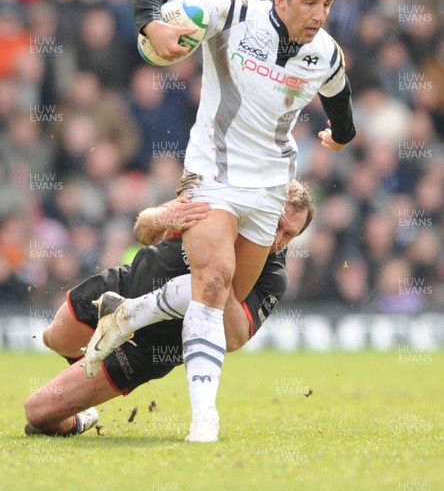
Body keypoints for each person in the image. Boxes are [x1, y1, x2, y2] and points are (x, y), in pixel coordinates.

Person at [85, 0, 356, 442]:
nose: (319, 14)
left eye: (327, 3)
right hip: (213, 174)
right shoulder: (232, 13)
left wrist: (341, 134)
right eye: (311, 2)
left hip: (271, 188)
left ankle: (127, 314)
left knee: (225, 297)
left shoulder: (327, 52)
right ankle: (204, 419)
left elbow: (339, 95)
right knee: (212, 281)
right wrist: (151, 28)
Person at [24, 182, 314, 437]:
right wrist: (162, 217)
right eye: (275, 224)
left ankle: (81, 416)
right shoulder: (215, 208)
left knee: (37, 413)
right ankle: (83, 377)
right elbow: (143, 230)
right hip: (123, 287)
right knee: (54, 337)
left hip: (152, 347)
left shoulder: (273, 275)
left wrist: (217, 279)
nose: (277, 239)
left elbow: (235, 338)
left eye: (289, 234)